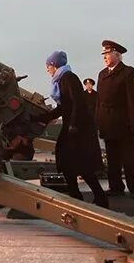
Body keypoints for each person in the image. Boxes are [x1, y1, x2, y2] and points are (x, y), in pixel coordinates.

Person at [37, 51, 108, 208]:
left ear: (54, 65)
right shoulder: (62, 79)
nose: (47, 69)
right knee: (71, 163)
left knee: (78, 164)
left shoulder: (67, 78)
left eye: (48, 66)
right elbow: (63, 107)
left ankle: (94, 197)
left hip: (78, 129)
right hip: (74, 127)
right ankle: (79, 196)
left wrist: (73, 125)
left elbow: (77, 102)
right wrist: (41, 117)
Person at [95, 40, 134, 199]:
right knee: (112, 159)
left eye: (107, 54)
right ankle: (115, 187)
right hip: (108, 124)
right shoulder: (102, 74)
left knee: (129, 159)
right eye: (104, 54)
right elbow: (99, 101)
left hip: (123, 124)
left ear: (117, 54)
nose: (105, 57)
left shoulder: (129, 73)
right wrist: (98, 121)